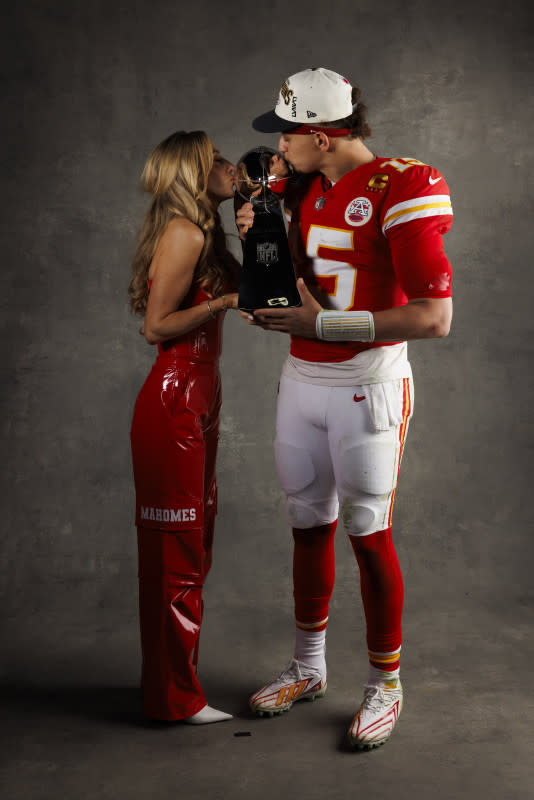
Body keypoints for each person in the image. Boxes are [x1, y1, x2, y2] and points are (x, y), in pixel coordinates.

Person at [236, 68, 453, 749]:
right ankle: (308, 667)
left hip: (367, 382)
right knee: (306, 524)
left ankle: (385, 682)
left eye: (290, 135)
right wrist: (260, 224)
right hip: (302, 380)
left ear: (324, 137)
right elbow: (289, 259)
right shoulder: (301, 182)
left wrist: (322, 326)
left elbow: (434, 316)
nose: (280, 148)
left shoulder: (405, 185)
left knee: (367, 532)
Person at [129, 130, 240, 724]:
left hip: (199, 398)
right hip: (174, 400)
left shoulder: (208, 232)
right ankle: (173, 699)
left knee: (195, 549)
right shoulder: (185, 231)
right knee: (176, 552)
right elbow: (156, 327)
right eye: (214, 159)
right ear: (193, 174)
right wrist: (222, 305)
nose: (227, 165)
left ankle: (174, 686)